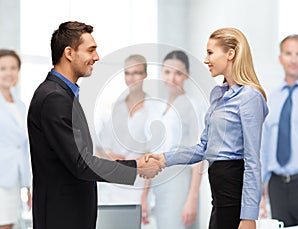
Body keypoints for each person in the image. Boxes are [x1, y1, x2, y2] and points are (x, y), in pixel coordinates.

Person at [27, 21, 163, 229]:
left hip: (71, 213)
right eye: (91, 50)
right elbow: (82, 163)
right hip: (62, 216)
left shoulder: (64, 94)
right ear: (69, 53)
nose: (97, 57)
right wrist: (135, 166)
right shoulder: (54, 98)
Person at [144, 27, 269, 229]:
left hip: (233, 190)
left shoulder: (249, 97)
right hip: (218, 193)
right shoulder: (218, 95)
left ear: (230, 54)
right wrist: (165, 158)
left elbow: (253, 159)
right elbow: (203, 147)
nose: (205, 59)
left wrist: (249, 216)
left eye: (210, 52)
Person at [141, 50, 207, 229]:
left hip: (180, 183)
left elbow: (198, 155)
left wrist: (192, 199)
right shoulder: (157, 107)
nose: (172, 78)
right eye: (167, 72)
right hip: (157, 183)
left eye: (178, 73)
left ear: (187, 75)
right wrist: (144, 197)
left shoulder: (193, 105)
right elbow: (150, 153)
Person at [95, 54, 152, 205]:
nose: (131, 78)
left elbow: (153, 157)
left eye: (136, 73)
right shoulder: (116, 108)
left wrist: (145, 197)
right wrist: (109, 155)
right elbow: (100, 147)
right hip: (112, 184)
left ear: (145, 75)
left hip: (137, 185)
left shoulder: (153, 109)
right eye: (127, 73)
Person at [260, 34, 298, 227]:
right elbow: (264, 147)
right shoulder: (272, 99)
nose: (293, 59)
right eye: (288, 53)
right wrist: (259, 187)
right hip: (277, 186)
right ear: (280, 58)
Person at [0, 49, 32, 229]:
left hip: (14, 179)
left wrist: (27, 185)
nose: (9, 73)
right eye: (3, 68)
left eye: (13, 68)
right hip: (0, 177)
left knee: (8, 225)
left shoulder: (20, 105)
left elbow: (23, 146)